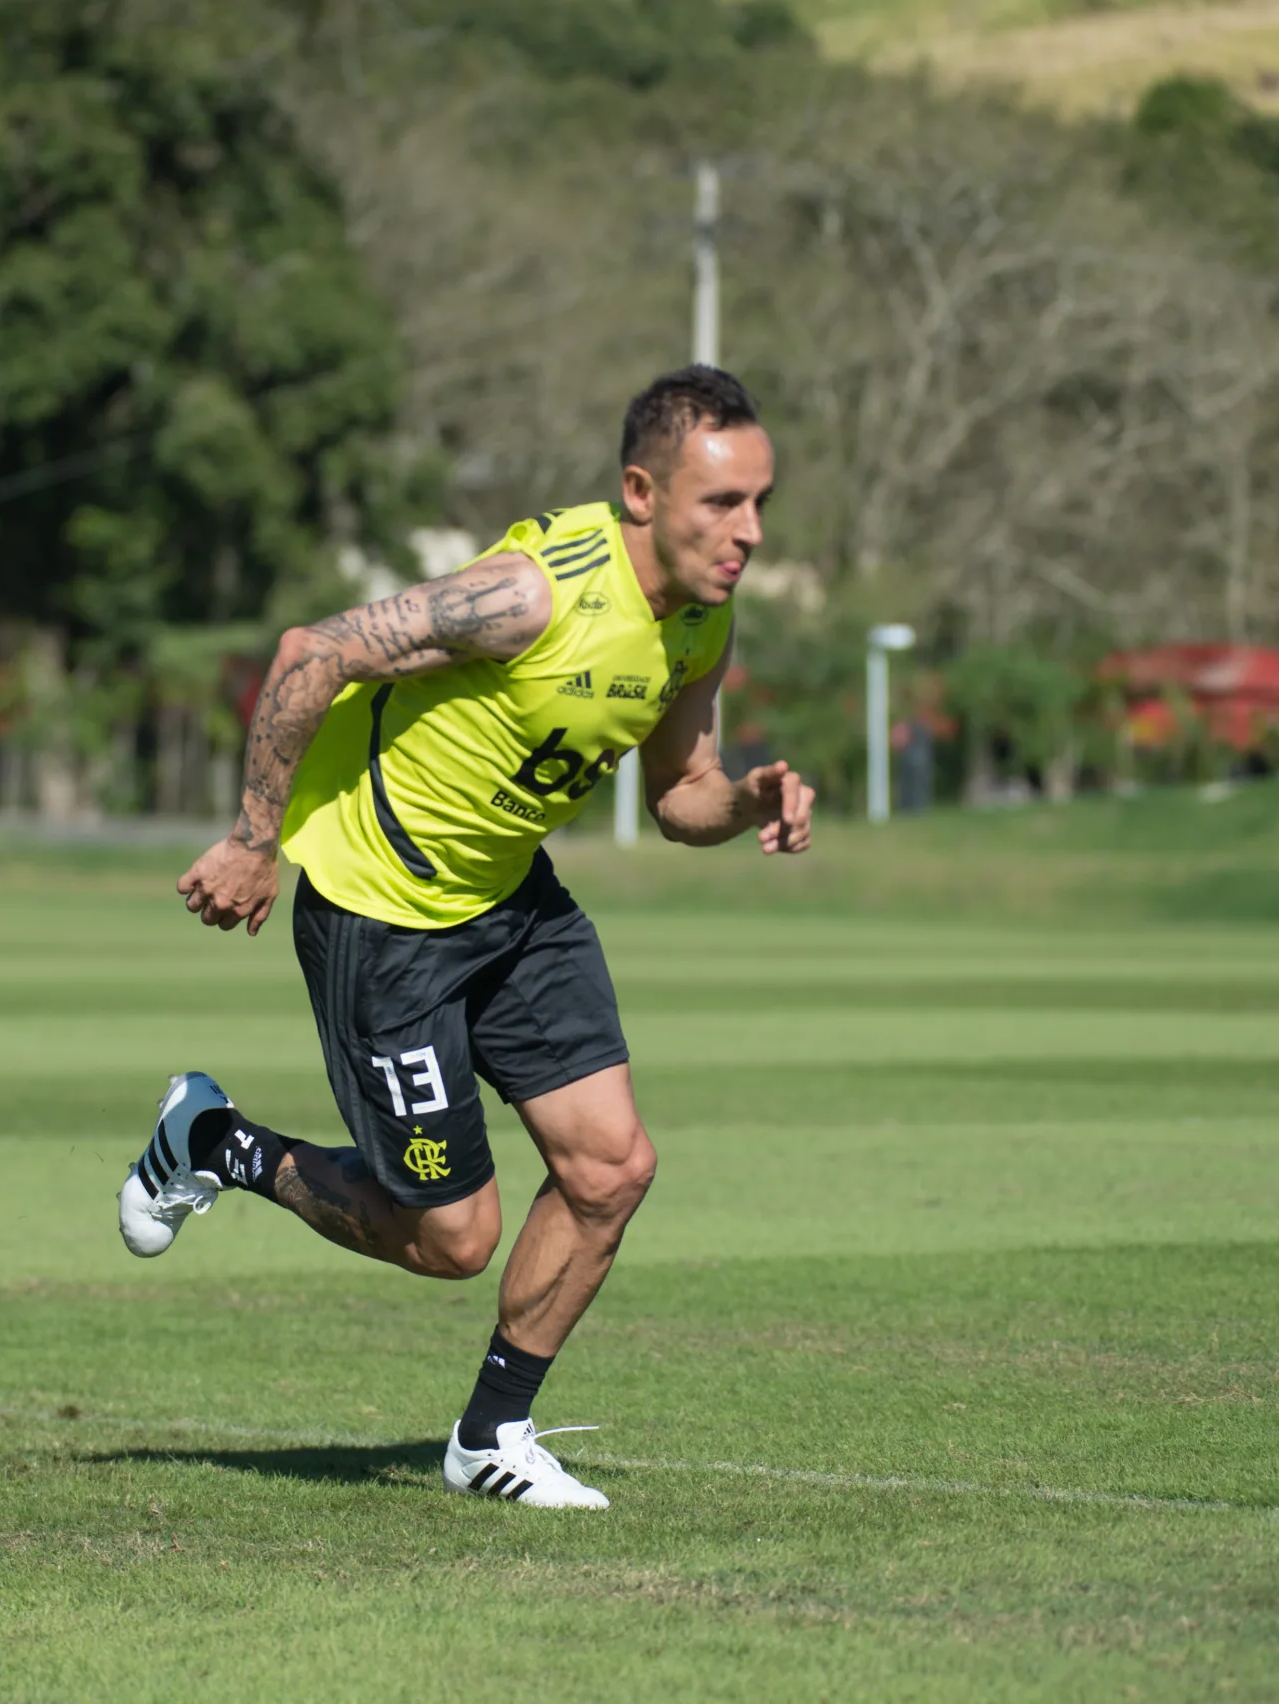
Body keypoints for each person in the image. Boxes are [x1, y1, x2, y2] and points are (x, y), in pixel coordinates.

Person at [119, 366, 813, 1508]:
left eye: (759, 505)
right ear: (640, 491)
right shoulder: (532, 596)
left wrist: (751, 800)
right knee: (450, 1240)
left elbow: (682, 792)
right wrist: (254, 839)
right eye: (718, 505)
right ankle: (215, 1145)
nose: (746, 534)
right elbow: (311, 649)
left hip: (508, 902)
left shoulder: (701, 617)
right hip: (381, 913)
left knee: (610, 1170)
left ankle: (490, 1439)